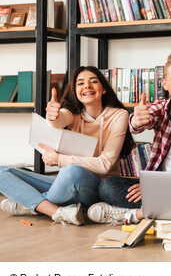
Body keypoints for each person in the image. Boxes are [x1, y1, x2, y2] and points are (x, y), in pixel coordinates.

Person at [88, 51, 171, 225]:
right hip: (160, 183)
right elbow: (142, 121)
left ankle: (139, 214)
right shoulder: (159, 107)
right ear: (165, 84)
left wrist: (161, 190)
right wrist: (136, 120)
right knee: (107, 186)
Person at [0, 66, 134, 226]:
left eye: (93, 82)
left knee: (72, 171)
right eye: (80, 83)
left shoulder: (119, 115)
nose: (87, 86)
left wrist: (59, 159)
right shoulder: (72, 114)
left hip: (98, 186)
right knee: (2, 172)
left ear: (103, 89)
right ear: (75, 91)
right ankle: (57, 211)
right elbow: (59, 119)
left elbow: (105, 165)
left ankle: (29, 204)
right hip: (66, 184)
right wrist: (52, 116)